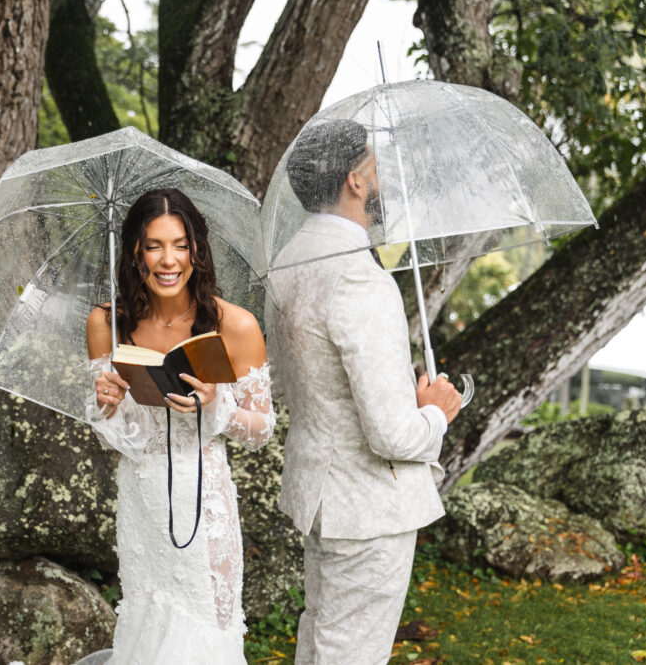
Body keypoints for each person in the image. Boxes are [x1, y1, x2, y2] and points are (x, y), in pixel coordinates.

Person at [267, 119, 462, 664]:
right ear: (355, 180)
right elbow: (393, 434)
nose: (380, 181)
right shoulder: (358, 276)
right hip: (367, 508)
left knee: (323, 641)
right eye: (375, 168)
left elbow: (290, 384)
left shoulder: (287, 264)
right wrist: (436, 412)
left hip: (322, 496)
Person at [84, 188, 276, 664]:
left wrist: (218, 409)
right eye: (153, 245)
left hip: (205, 502)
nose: (168, 260)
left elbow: (264, 428)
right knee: (146, 626)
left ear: (197, 250)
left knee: (205, 633)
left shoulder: (235, 325)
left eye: (180, 244)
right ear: (134, 251)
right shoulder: (106, 324)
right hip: (142, 506)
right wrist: (107, 406)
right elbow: (127, 438)